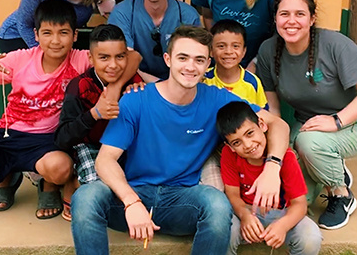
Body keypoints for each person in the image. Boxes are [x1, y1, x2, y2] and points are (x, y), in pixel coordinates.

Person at [71, 26, 290, 255]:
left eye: (199, 60)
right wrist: (131, 202)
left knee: (217, 204)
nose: (190, 66)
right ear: (168, 59)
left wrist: (272, 168)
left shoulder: (217, 100)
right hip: (135, 193)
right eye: (182, 58)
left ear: (207, 65)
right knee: (86, 197)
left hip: (183, 199)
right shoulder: (136, 100)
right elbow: (105, 161)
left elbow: (278, 124)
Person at [0, 0, 139, 220]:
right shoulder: (21, 59)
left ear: (75, 35)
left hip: (48, 142)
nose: (56, 41)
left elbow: (133, 56)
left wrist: (115, 90)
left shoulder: (80, 58)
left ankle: (47, 184)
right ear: (36, 35)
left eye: (64, 33)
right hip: (8, 136)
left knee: (61, 169)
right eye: (47, 33)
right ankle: (8, 176)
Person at [255, 0, 357, 230]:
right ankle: (331, 167)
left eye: (300, 14)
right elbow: (274, 109)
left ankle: (340, 193)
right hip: (308, 124)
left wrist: (336, 120)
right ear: (275, 18)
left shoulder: (335, 44)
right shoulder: (268, 50)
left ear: (312, 18)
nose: (291, 21)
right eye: (284, 14)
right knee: (294, 193)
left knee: (309, 144)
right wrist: (275, 145)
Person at [216, 101, 322, 255]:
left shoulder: (285, 157)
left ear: (262, 125)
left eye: (250, 133)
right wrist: (244, 216)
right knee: (224, 232)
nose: (247, 144)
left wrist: (283, 226)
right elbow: (232, 194)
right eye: (237, 142)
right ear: (230, 147)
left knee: (310, 237)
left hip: (281, 213)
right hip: (244, 212)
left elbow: (300, 204)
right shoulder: (229, 155)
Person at [55, 24, 144, 188]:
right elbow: (62, 138)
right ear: (91, 58)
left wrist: (137, 96)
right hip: (91, 146)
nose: (113, 65)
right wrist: (94, 114)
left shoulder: (134, 81)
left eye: (120, 57)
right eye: (104, 58)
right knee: (99, 188)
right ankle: (73, 183)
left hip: (125, 146)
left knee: (141, 182)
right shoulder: (79, 86)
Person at [199, 19, 268, 191]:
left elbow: (263, 118)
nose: (229, 51)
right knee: (216, 190)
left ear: (244, 51)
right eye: (221, 46)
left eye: (235, 46)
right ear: (211, 51)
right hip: (212, 149)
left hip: (247, 150)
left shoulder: (252, 82)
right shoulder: (203, 79)